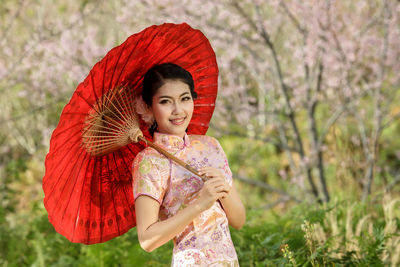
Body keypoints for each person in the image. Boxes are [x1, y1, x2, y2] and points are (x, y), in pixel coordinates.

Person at [132, 63, 246, 266]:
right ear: (149, 107)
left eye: (185, 99)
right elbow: (147, 240)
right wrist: (200, 204)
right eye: (166, 101)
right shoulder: (149, 161)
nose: (178, 110)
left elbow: (238, 220)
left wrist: (223, 189)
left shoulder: (210, 146)